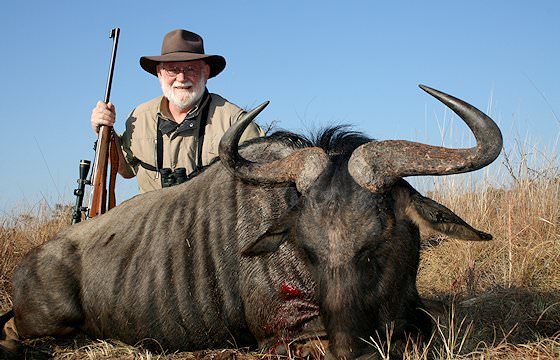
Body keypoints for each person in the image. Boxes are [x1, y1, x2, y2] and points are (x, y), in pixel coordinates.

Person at [91, 29, 264, 193]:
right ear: (160, 73)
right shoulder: (139, 117)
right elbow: (126, 169)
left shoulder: (234, 121)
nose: (181, 78)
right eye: (173, 69)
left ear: (206, 72)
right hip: (151, 222)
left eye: (190, 69)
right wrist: (105, 132)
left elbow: (260, 180)